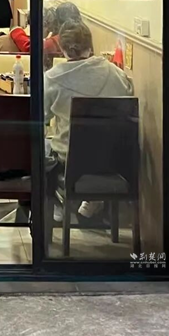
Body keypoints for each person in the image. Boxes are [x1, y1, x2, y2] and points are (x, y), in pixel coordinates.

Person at [45, 20, 133, 220]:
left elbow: (40, 116)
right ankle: (92, 201)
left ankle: (54, 207)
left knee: (41, 149)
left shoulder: (53, 78)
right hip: (114, 160)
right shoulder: (116, 73)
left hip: (70, 161)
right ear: (90, 45)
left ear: (62, 48)